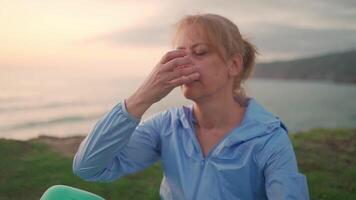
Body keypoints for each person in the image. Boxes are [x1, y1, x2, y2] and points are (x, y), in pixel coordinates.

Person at [73, 13, 310, 199]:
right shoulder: (166, 127)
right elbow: (88, 167)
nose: (183, 64)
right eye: (179, 54)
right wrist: (142, 96)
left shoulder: (268, 139)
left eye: (200, 52)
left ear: (234, 65)